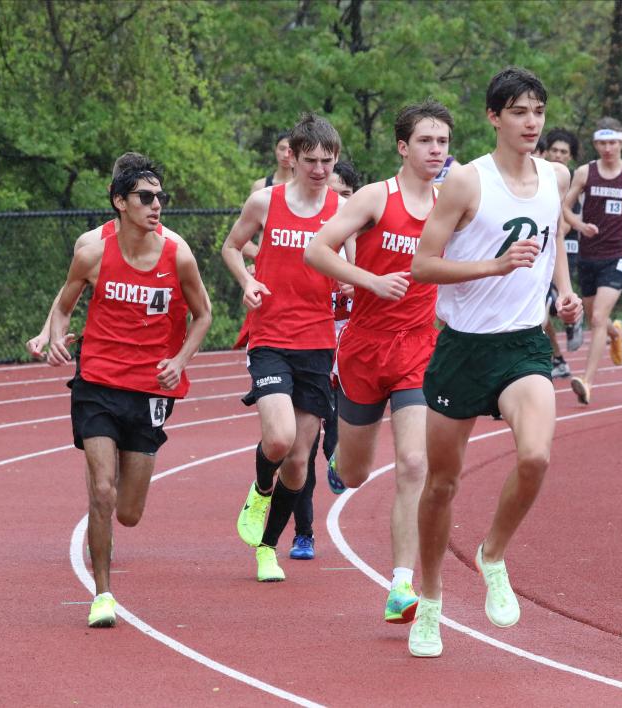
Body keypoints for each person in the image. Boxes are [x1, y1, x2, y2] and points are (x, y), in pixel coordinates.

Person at [407, 67, 582, 657]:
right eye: (519, 112)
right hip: (463, 347)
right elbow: (423, 266)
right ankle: (429, 602)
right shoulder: (465, 183)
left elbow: (552, 237)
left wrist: (562, 289)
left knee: (534, 455)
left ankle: (492, 555)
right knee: (442, 484)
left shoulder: (556, 175)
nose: (532, 122)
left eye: (538, 110)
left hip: (524, 343)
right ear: (494, 118)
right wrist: (495, 265)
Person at [305, 99, 453, 623]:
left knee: (415, 463)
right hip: (365, 348)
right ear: (402, 146)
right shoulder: (374, 198)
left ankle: (400, 585)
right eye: (426, 141)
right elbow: (317, 251)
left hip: (418, 346)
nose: (436, 150)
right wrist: (369, 281)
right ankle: (338, 455)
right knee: (356, 471)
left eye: (442, 141)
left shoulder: (451, 203)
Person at [46, 161, 212, 627]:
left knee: (129, 512)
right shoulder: (92, 255)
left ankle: (109, 509)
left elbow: (203, 315)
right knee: (101, 490)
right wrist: (57, 335)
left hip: (148, 390)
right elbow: (63, 308)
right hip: (97, 383)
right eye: (145, 197)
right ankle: (103, 595)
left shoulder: (177, 256)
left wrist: (180, 360)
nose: (156, 205)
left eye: (160, 197)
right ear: (120, 202)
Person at [221, 113, 342, 582]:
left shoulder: (340, 209)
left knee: (299, 463)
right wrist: (249, 280)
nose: (319, 169)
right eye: (310, 160)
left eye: (327, 161)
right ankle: (258, 488)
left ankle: (267, 547)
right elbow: (232, 247)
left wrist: (350, 286)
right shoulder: (265, 201)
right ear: (292, 156)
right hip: (270, 334)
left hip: (317, 340)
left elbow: (348, 259)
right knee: (278, 438)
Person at [26, 152, 185, 360]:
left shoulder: (175, 246)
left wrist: (181, 355)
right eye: (144, 196)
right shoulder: (90, 243)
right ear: (115, 194)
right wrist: (48, 334)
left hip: (151, 360)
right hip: (103, 359)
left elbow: (194, 307)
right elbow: (69, 292)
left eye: (154, 196)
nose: (154, 204)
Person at [287, 162, 362, 561]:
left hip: (348, 362)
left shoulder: (365, 241)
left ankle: (341, 459)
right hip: (309, 356)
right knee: (302, 449)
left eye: (345, 193)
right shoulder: (308, 244)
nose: (337, 202)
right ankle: (304, 533)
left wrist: (359, 283)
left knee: (336, 450)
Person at [565, 118, 622, 404]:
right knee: (598, 317)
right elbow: (564, 208)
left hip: (617, 255)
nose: (608, 148)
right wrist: (579, 226)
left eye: (613, 142)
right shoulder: (584, 173)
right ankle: (615, 334)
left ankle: (587, 382)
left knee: (596, 318)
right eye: (603, 143)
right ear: (596, 144)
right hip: (588, 256)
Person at [543, 127, 584, 369]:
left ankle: (573, 319)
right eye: (554, 150)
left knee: (551, 304)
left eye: (563, 152)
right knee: (543, 308)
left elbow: (565, 221)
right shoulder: (539, 177)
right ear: (546, 152)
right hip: (541, 250)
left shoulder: (572, 181)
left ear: (570, 156)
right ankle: (557, 357)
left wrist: (551, 231)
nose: (558, 155)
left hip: (567, 250)